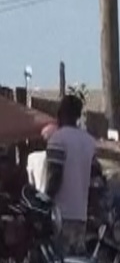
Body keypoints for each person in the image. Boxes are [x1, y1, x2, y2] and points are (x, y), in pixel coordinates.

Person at [40, 94, 99, 249]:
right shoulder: (89, 142)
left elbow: (55, 176)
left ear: (60, 113)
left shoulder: (57, 139)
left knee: (59, 260)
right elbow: (95, 179)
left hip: (60, 215)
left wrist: (44, 201)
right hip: (81, 215)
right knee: (75, 260)